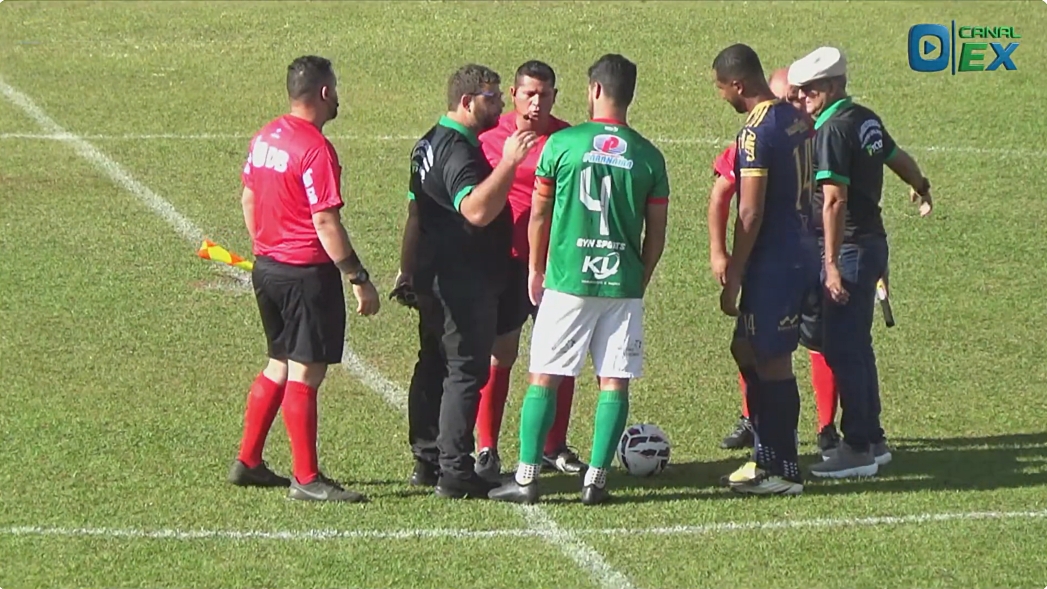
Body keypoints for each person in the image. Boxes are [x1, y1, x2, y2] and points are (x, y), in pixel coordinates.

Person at [488, 53, 670, 506]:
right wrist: (639, 278)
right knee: (614, 381)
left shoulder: (562, 145)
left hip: (568, 280)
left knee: (544, 376)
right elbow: (657, 233)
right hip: (620, 284)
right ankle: (596, 481)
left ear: (593, 91)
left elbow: (540, 216)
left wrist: (535, 268)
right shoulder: (649, 156)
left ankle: (527, 478)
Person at [228, 55, 380, 503]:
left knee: (279, 361)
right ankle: (307, 478)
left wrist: (265, 246)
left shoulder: (265, 137)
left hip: (268, 267)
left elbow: (248, 197)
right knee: (306, 373)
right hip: (304, 274)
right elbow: (326, 222)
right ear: (325, 93)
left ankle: (249, 461)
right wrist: (357, 276)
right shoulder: (314, 149)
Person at [788, 47, 932, 479]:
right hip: (872, 243)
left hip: (849, 249)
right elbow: (897, 157)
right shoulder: (865, 117)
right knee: (858, 346)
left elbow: (833, 201)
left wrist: (830, 263)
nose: (802, 97)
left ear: (830, 87)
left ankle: (857, 447)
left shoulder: (831, 130)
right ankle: (873, 438)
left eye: (809, 90)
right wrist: (920, 183)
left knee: (843, 347)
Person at [395, 63, 538, 499]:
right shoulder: (458, 151)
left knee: (433, 363)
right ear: (466, 101)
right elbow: (475, 209)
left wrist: (407, 267)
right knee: (464, 371)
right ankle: (456, 470)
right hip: (462, 281)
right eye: (491, 98)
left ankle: (428, 460)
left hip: (434, 275)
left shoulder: (427, 143)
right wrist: (510, 164)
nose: (499, 105)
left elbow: (416, 211)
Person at [712, 69, 841, 454]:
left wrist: (734, 273)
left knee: (773, 363)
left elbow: (749, 212)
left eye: (721, 89)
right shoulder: (801, 120)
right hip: (800, 252)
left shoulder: (756, 131)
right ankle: (766, 446)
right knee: (749, 349)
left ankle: (779, 462)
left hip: (773, 262)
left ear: (738, 84)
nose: (723, 98)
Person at [473, 60, 584, 482]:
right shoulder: (490, 137)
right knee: (500, 353)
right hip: (505, 262)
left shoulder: (568, 138)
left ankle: (554, 445)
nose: (536, 102)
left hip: (555, 266)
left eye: (545, 94)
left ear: (555, 96)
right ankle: (487, 446)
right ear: (515, 95)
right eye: (529, 94)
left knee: (560, 359)